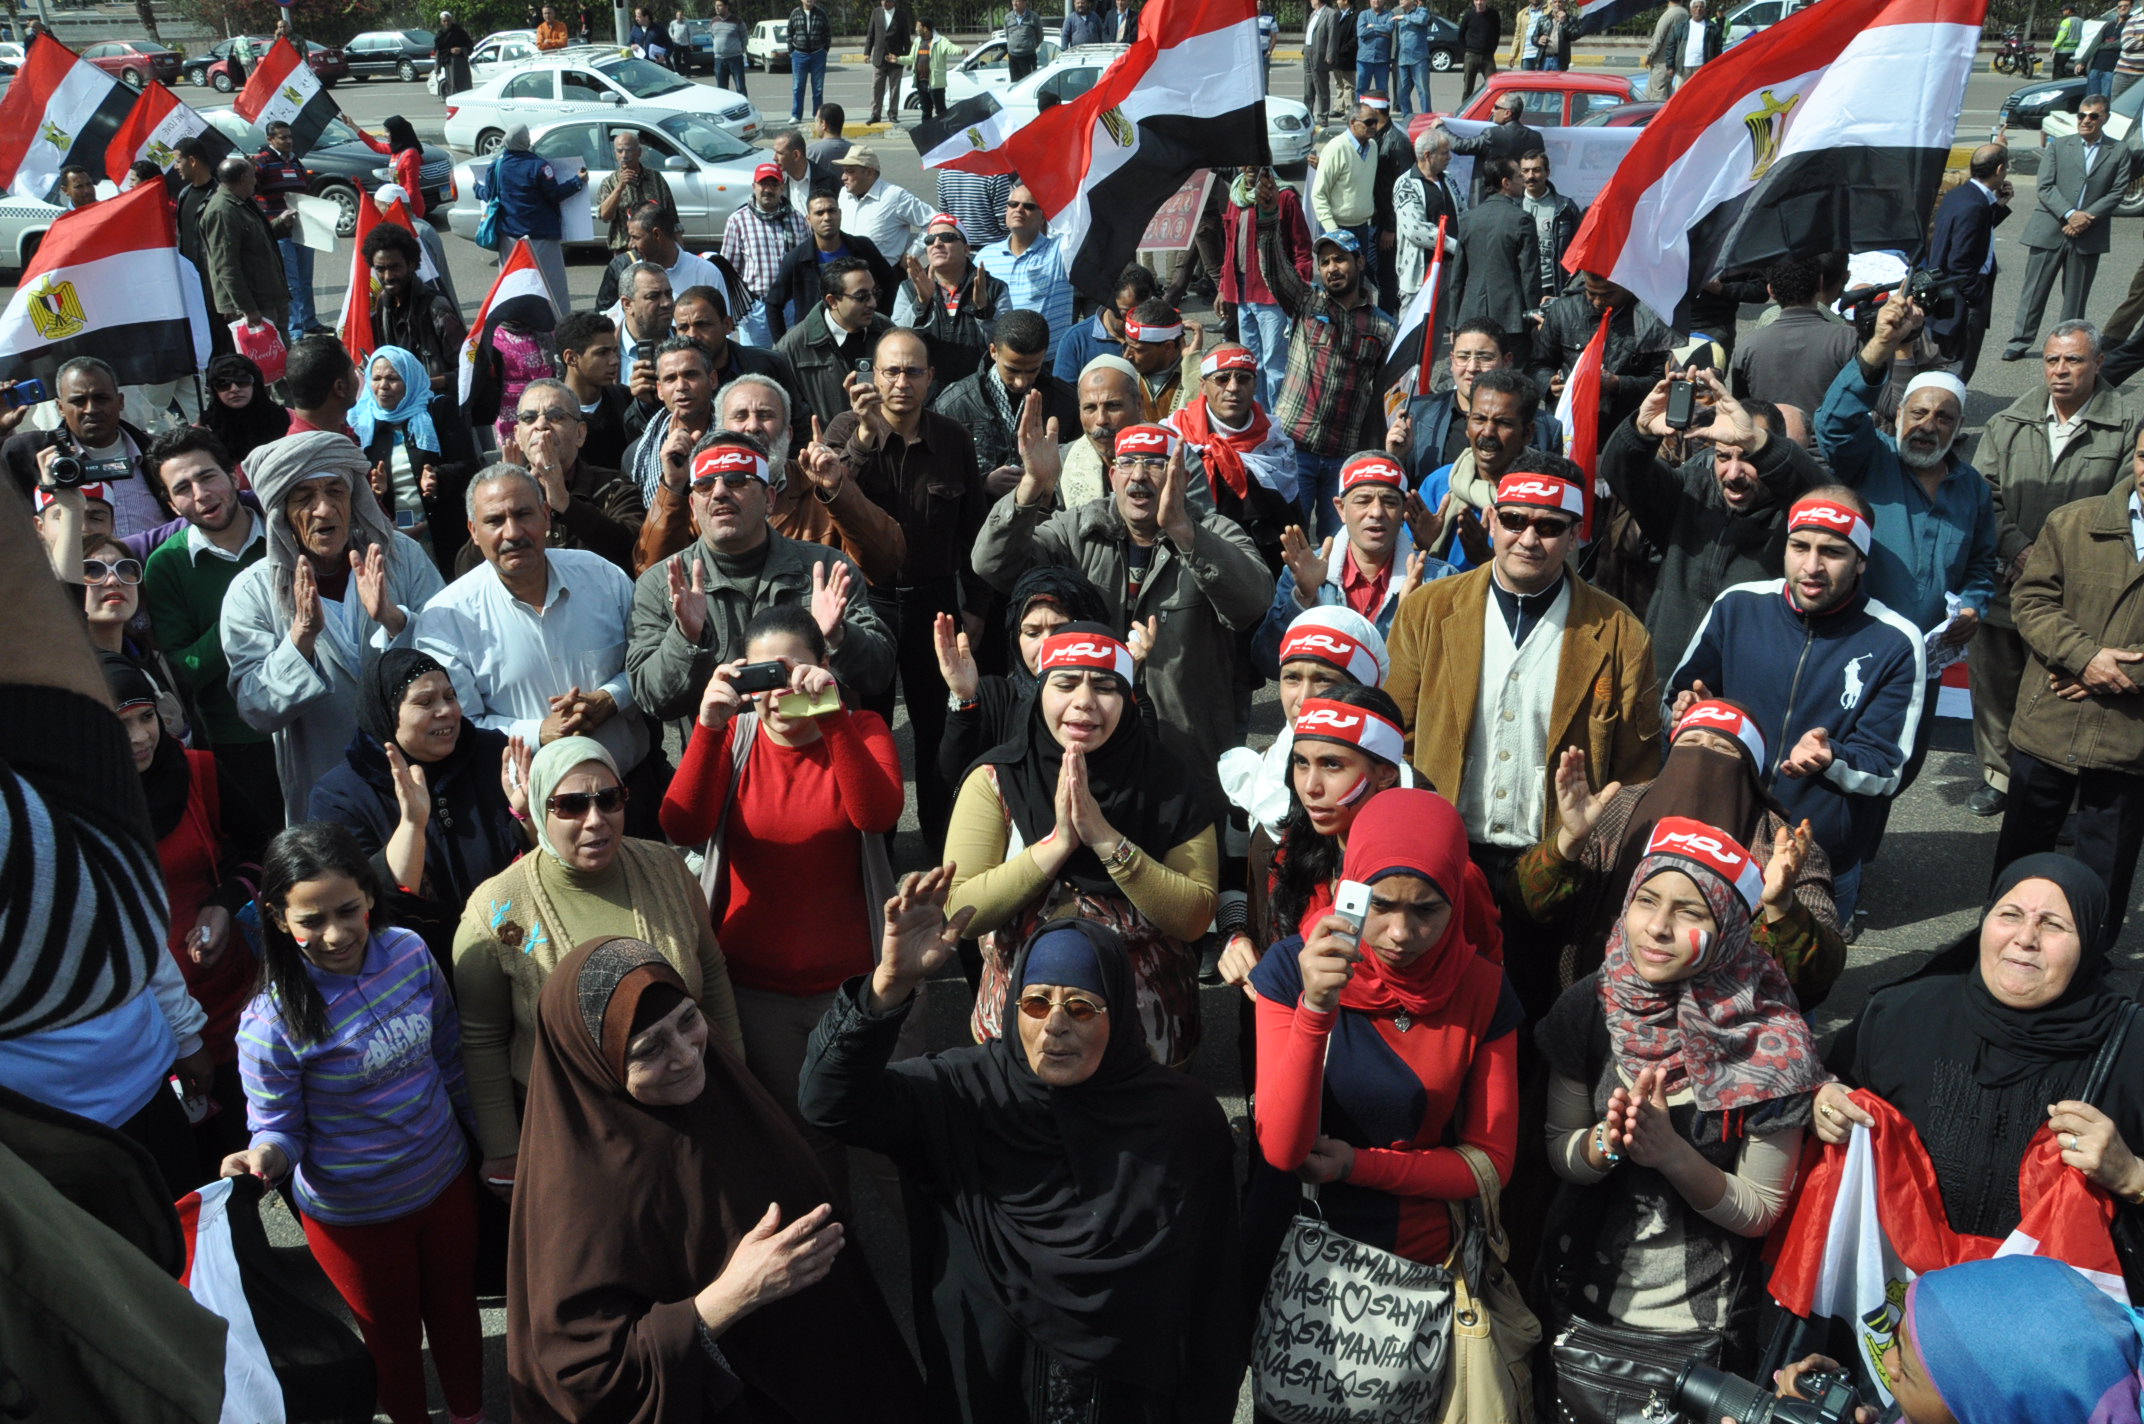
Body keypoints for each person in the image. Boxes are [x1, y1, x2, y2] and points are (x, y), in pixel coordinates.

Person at [797, 870, 1241, 1421]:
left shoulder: (1179, 1120)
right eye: (1035, 1004)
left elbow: (1215, 1297)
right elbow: (828, 1102)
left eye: (1081, 1007)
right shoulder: (963, 1094)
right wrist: (888, 985)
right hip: (986, 1395)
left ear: (1120, 1013)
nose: (1054, 1026)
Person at [507, 934, 923, 1423]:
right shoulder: (576, 1191)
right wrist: (728, 1300)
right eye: (649, 1048)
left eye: (688, 1019)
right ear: (597, 1064)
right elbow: (587, 1374)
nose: (686, 1055)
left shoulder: (723, 1090)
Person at [1535, 818, 1821, 1409]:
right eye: (1646, 901)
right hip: (1574, 1302)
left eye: (1689, 912)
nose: (1658, 927)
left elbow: (1760, 1210)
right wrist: (1607, 1143)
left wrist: (1670, 1153)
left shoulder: (1773, 1041)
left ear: (1730, 928)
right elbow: (1561, 1150)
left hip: (1698, 1335)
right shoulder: (1591, 1004)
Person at [218, 823, 486, 1424]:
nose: (336, 934)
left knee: (456, 1312)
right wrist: (262, 1160)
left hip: (446, 1184)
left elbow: (450, 1056)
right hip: (356, 1220)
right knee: (392, 1342)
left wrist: (496, 1146)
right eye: (311, 920)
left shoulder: (410, 951)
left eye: (347, 910)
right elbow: (279, 1128)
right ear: (278, 918)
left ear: (368, 893)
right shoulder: (269, 1023)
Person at [1384, 465, 1662, 1016]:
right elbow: (1396, 738)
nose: (1528, 538)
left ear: (1577, 534)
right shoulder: (1428, 610)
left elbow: (1636, 775)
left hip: (1555, 864)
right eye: (1514, 520)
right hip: (1448, 857)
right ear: (1491, 520)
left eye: (1549, 526)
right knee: (1437, 1016)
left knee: (1535, 1019)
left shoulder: (1621, 632)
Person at [659, 603, 902, 1194]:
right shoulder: (734, 736)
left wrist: (832, 718)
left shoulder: (862, 726)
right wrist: (708, 727)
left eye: (791, 672)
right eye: (762, 676)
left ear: (824, 667)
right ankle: (836, 1252)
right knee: (804, 1149)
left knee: (888, 1146)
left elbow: (877, 813)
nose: (777, 693)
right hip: (756, 992)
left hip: (855, 989)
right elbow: (681, 825)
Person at [1818, 854, 2144, 1290]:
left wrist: (2132, 1176)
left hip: (2054, 1314)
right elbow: (1833, 1088)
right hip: (1892, 1303)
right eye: (2010, 915)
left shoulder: (2132, 1048)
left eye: (2053, 925)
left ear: (2092, 942)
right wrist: (1823, 1105)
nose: (2025, 938)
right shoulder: (1900, 1014)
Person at [1250, 784, 1521, 1296]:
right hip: (1300, 1253)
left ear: (1457, 899)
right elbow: (1284, 1151)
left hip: (1419, 1264)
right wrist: (1316, 1010)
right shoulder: (1292, 968)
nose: (1400, 933)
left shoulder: (1482, 988)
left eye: (1427, 910)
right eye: (1382, 905)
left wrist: (1358, 1165)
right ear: (1350, 890)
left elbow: (1491, 1161)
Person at [454, 736, 744, 1196]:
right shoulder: (496, 912)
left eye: (609, 799)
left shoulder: (667, 870)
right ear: (540, 811)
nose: (595, 820)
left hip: (689, 1107)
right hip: (575, 1137)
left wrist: (736, 1079)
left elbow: (712, 974)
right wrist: (504, 1148)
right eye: (571, 806)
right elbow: (482, 1039)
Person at [944, 625, 1220, 1066]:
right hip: (1021, 1041)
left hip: (1146, 1043)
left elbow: (1195, 917)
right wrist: (1056, 845)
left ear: (1127, 698)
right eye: (1066, 683)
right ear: (1040, 692)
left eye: (1105, 687)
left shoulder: (1171, 782)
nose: (1085, 701)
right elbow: (960, 912)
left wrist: (1107, 840)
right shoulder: (996, 779)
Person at [1667, 489, 1926, 925]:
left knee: (1798, 969)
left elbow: (1886, 768)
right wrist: (1691, 717)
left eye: (1833, 552)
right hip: (1717, 839)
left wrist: (1832, 757)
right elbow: (1673, 702)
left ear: (1861, 561)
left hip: (1815, 861)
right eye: (1800, 546)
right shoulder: (1738, 605)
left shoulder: (1895, 640)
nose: (1811, 566)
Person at [974, 423, 1275, 765]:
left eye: (1155, 464)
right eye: (1128, 463)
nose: (1139, 476)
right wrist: (1032, 485)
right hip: (1089, 741)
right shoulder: (1076, 530)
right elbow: (992, 565)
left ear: (1182, 478)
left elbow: (1253, 603)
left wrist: (1184, 531)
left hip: (1184, 749)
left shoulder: (1215, 532)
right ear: (1113, 475)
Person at [1516, 698, 1845, 1003]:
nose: (1702, 756)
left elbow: (1820, 971)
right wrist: (1569, 841)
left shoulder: (1784, 846)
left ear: (1749, 770)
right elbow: (1527, 905)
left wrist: (1782, 907)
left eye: (1722, 748)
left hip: (1718, 1020)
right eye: (1690, 743)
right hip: (1592, 1002)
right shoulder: (1617, 808)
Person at [221, 432, 445, 825]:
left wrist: (394, 620)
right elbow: (256, 709)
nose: (324, 509)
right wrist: (301, 638)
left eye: (335, 492)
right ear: (281, 513)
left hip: (427, 779)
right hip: (329, 797)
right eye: (304, 497)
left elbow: (454, 655)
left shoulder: (400, 558)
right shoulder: (251, 592)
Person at [820, 328, 988, 844]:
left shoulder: (952, 438)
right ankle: (876, 847)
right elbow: (832, 494)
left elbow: (973, 532)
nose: (901, 382)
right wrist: (865, 436)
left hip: (934, 603)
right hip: (864, 605)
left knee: (937, 727)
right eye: (890, 371)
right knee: (867, 728)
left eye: (913, 371)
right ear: (872, 376)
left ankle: (941, 841)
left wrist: (976, 609)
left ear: (931, 377)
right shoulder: (845, 428)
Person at [1968, 321, 2137, 820]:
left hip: (2079, 590)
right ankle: (2000, 777)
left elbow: (2122, 505)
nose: (2060, 371)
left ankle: (2065, 793)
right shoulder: (2008, 422)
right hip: (2008, 579)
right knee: (1996, 684)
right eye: (2052, 360)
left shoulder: (2129, 426)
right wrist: (2020, 550)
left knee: (2061, 686)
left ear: (2099, 364)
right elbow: (1982, 494)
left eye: (2074, 360)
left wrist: (2049, 560)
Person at [418, 461, 653, 812]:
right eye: (495, 521)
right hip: (530, 809)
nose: (513, 533)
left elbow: (648, 661)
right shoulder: (446, 619)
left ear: (546, 516)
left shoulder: (602, 577)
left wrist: (611, 698)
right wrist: (538, 733)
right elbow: (458, 725)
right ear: (473, 531)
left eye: (523, 514)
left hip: (631, 791)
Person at [105, 650, 265, 1168]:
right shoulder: (85, 806)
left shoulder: (199, 772)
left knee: (261, 1141)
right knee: (193, 1168)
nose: (140, 738)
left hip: (231, 996)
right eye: (121, 724)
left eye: (146, 717)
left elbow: (263, 850)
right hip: (148, 1021)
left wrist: (225, 902)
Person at [627, 431, 894, 729]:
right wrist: (686, 639)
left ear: (769, 499)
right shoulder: (661, 585)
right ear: (692, 505)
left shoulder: (826, 570)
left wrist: (838, 637)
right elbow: (653, 700)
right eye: (704, 485)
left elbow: (878, 674)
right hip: (722, 753)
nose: (719, 492)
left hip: (818, 749)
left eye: (736, 480)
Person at [1993, 442, 2144, 949]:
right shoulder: (2073, 522)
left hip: (2128, 741)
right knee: (2021, 859)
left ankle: (2088, 967)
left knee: (2104, 872)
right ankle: (1995, 956)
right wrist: (2084, 657)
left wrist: (2114, 672)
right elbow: (2031, 600)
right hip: (2050, 725)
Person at [308, 649, 528, 960]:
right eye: (425, 702)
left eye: (450, 696)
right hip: (415, 963)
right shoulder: (339, 796)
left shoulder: (493, 754)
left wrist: (528, 816)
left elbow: (541, 859)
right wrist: (412, 826)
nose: (446, 710)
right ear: (387, 712)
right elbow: (366, 905)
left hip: (518, 942)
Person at [1603, 371, 1823, 679]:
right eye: (1723, 456)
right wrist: (1640, 431)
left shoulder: (1794, 516)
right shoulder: (1689, 492)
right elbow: (1621, 472)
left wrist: (1759, 443)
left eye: (1748, 456)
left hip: (1739, 693)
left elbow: (1825, 500)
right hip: (1660, 682)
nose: (1733, 473)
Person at [1816, 293, 1999, 641]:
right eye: (1918, 413)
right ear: (1899, 414)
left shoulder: (1973, 489)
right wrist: (1881, 344)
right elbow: (1834, 424)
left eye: (1943, 418)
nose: (1927, 426)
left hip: (1928, 653)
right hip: (1853, 640)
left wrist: (1972, 605)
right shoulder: (1870, 457)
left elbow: (1980, 565)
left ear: (1958, 427)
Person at [141, 427, 280, 819]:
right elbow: (182, 672)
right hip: (238, 744)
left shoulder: (286, 532)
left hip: (320, 719)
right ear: (171, 504)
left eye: (207, 476)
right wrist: (240, 620)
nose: (201, 494)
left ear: (234, 476)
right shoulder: (167, 565)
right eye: (182, 488)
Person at [1258, 176, 1397, 539]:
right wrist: (1268, 217)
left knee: (1340, 547)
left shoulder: (1384, 328)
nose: (1332, 268)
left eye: (1340, 259)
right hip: (1296, 449)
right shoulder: (1307, 303)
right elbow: (1274, 268)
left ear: (1360, 262)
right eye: (1325, 262)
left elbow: (1385, 396)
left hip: (1343, 457)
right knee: (1293, 541)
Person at [933, 564, 1114, 789]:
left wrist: (1120, 685)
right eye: (1032, 632)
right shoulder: (996, 697)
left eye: (1059, 629)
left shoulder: (1111, 697)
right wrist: (963, 699)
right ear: (1016, 638)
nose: (1046, 644)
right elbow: (951, 779)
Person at [1253, 450, 1442, 664]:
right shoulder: (1303, 572)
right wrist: (1302, 598)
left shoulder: (1436, 579)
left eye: (1389, 502)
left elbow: (1446, 670)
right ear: (1341, 509)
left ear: (1403, 510)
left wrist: (1414, 619)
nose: (1376, 512)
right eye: (1363, 501)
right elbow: (1268, 661)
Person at [2003, 95, 2134, 362]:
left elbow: (2117, 191)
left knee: (2075, 298)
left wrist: (2086, 218)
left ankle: (2066, 345)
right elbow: (2045, 187)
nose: (2086, 120)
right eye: (2082, 115)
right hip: (2050, 228)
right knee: (2034, 291)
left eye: (2093, 116)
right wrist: (2070, 214)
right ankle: (2020, 341)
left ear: (2105, 118)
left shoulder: (2118, 151)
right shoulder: (2059, 146)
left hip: (2089, 232)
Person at [486, 376, 646, 574]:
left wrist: (564, 502)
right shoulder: (491, 491)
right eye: (529, 418)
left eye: (555, 417)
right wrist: (506, 498)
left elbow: (635, 550)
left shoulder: (615, 486)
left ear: (580, 434)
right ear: (518, 435)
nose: (541, 425)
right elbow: (466, 569)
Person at [1166, 342, 1304, 561]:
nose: (1233, 387)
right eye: (1222, 379)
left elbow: (1290, 516)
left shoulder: (1275, 439)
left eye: (1243, 378)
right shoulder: (1173, 434)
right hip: (1186, 554)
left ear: (1255, 384)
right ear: (1203, 385)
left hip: (1260, 557)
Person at [4, 358, 169, 540]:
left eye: (101, 398)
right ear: (60, 407)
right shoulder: (29, 454)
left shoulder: (163, 453)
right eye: (79, 401)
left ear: (120, 401)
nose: (91, 409)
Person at [355, 345, 478, 572]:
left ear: (410, 379)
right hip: (396, 534)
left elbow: (470, 467)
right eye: (376, 378)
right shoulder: (363, 423)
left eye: (393, 378)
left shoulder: (438, 410)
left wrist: (439, 478)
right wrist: (376, 492)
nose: (383, 386)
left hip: (444, 530)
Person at [931, 308, 1077, 485]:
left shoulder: (1067, 402)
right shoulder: (954, 405)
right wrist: (982, 484)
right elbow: (938, 476)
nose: (1021, 382)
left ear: (1044, 355)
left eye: (1032, 370)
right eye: (1012, 370)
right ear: (993, 351)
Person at [1218, 166, 1311, 413]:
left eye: (1255, 161)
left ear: (1265, 162)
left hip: (1273, 295)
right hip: (1242, 294)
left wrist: (1299, 293)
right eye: (1244, 162)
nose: (1249, 166)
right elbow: (1229, 246)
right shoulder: (1236, 195)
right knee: (1251, 365)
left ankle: (1279, 420)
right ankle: (1259, 418)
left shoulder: (1284, 196)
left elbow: (1302, 249)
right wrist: (1222, 287)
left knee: (1275, 366)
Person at [1728, 255, 1864, 414]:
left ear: (1770, 290)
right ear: (1819, 283)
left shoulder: (1747, 348)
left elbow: (1741, 408)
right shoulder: (1850, 340)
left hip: (1769, 429)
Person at [892, 212, 1008, 395]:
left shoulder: (993, 288)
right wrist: (921, 303)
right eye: (930, 240)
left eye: (947, 237)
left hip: (979, 397)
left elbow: (1005, 346)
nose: (937, 244)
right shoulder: (908, 289)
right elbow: (896, 341)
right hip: (925, 397)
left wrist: (984, 310)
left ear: (966, 249)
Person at [769, 185, 901, 341]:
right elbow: (773, 304)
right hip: (816, 342)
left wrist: (879, 319)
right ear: (808, 219)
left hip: (863, 336)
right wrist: (783, 345)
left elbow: (889, 282)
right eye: (819, 213)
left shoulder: (863, 248)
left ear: (840, 213)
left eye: (831, 211)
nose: (827, 217)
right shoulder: (796, 259)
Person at [778, 259, 893, 433]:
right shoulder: (792, 348)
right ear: (832, 301)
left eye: (874, 293)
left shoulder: (887, 332)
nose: (872, 303)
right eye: (861, 297)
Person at [490, 125, 586, 318]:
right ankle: (559, 323)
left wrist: (476, 188)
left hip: (509, 237)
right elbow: (554, 194)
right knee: (551, 285)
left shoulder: (497, 166)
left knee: (512, 283)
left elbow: (489, 194)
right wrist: (577, 181)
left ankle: (514, 322)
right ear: (525, 141)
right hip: (541, 236)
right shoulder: (539, 166)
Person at [979, 183, 1077, 366]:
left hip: (1048, 363)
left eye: (1029, 206)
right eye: (1013, 204)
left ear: (1043, 217)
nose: (1019, 209)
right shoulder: (985, 257)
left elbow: (1080, 222)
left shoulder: (1060, 251)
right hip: (1001, 363)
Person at [201, 156, 293, 343]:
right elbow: (226, 266)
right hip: (255, 303)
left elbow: (258, 238)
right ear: (243, 179)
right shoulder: (222, 212)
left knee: (281, 350)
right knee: (265, 354)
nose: (256, 181)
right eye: (253, 176)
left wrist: (281, 223)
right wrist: (248, 308)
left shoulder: (242, 201)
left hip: (269, 295)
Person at [1456, 158, 1543, 353]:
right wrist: (1534, 315)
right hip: (1511, 319)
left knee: (1477, 367)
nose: (1524, 180)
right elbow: (1529, 274)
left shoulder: (1468, 218)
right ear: (1506, 183)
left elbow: (1458, 276)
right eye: (1519, 176)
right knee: (1513, 368)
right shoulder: (1522, 219)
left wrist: (1455, 321)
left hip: (1471, 315)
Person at [724, 162, 811, 350]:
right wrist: (736, 309)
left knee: (794, 356)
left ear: (782, 187)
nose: (768, 190)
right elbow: (728, 272)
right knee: (756, 360)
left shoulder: (798, 220)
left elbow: (807, 264)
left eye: (774, 184)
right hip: (757, 309)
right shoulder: (738, 221)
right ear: (754, 186)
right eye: (763, 184)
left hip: (792, 306)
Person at [255, 121, 322, 338]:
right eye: (283, 137)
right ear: (270, 139)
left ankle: (310, 321)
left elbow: (306, 190)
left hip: (303, 229)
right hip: (280, 232)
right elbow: (251, 190)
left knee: (305, 280)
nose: (288, 141)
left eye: (290, 137)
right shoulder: (262, 162)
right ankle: (295, 330)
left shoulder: (295, 162)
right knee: (291, 283)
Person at [1055, 264, 1157, 386]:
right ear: (1107, 300)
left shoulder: (1159, 337)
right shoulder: (1076, 340)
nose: (1133, 322)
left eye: (1142, 313)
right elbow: (1062, 392)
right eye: (1125, 314)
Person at [834, 147, 934, 266]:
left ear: (869, 173)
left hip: (884, 274)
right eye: (844, 171)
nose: (843, 177)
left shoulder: (894, 196)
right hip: (846, 272)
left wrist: (914, 252)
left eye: (850, 171)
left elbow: (934, 221)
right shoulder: (844, 194)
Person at [199, 351, 291, 464]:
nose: (234, 389)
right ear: (214, 390)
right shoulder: (206, 428)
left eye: (242, 380)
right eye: (223, 384)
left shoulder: (283, 418)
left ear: (255, 383)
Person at [1311, 104, 1379, 257]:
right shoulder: (1336, 148)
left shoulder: (1373, 147)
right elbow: (1318, 194)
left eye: (1375, 121)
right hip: (1338, 228)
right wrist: (1333, 230)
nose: (1374, 126)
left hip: (1363, 227)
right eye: (1368, 122)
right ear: (1353, 122)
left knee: (1359, 271)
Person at [595, 129, 676, 255]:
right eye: (620, 151)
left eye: (629, 150)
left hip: (656, 249)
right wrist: (620, 187)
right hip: (625, 250)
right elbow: (605, 216)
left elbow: (672, 218)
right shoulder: (609, 182)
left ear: (639, 152)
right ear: (615, 154)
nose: (624, 155)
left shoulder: (656, 178)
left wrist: (679, 250)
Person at [1518, 150, 1582, 307]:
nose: (1530, 176)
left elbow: (1579, 250)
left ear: (1547, 172)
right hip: (1520, 287)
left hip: (1553, 287)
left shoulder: (1565, 207)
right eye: (1525, 171)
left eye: (1536, 170)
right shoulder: (1512, 206)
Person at [866, 0, 914, 124]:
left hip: (896, 58)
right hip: (879, 58)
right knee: (876, 88)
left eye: (887, 1)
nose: (884, 3)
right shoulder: (876, 12)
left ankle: (893, 114)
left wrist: (909, 59)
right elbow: (871, 34)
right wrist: (867, 52)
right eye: (883, 1)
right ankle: (875, 114)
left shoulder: (901, 15)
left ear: (893, 2)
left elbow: (906, 38)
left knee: (894, 89)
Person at [788, 0, 833, 122]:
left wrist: (825, 50)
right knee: (798, 87)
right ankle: (796, 115)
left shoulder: (821, 14)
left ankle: (817, 115)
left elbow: (827, 32)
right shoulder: (795, 13)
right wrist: (791, 51)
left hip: (818, 54)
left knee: (818, 88)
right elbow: (789, 32)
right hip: (799, 55)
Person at [908, 17, 959, 121]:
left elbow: (950, 48)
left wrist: (961, 51)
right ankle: (926, 131)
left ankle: (944, 130)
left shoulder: (940, 41)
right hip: (921, 82)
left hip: (935, 83)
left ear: (925, 28)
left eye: (918, 27)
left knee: (941, 111)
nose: (916, 29)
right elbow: (911, 58)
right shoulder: (918, 41)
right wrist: (897, 59)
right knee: (926, 111)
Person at [1644, 0, 1690, 100]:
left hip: (1662, 60)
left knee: (1659, 91)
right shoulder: (1685, 14)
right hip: (1676, 59)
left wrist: (1649, 54)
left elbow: (1658, 37)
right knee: (1667, 90)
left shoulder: (1669, 15)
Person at [1393, 0, 1434, 114]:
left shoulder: (1421, 11)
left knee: (1423, 91)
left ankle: (1426, 116)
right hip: (1403, 59)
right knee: (1401, 92)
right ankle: (1407, 118)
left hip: (1418, 59)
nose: (1401, 1)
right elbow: (1387, 26)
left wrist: (1404, 17)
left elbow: (1422, 20)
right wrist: (1374, 27)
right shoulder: (1398, 13)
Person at [1460, 0, 1501, 99]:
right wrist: (1468, 49)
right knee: (1467, 88)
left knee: (1493, 85)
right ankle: (1466, 107)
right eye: (1476, 0)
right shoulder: (1468, 15)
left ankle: (1493, 107)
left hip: (1487, 57)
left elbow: (1497, 34)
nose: (1479, 3)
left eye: (1481, 0)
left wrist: (1491, 49)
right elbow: (1461, 35)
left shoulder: (1494, 15)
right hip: (1471, 55)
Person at [1354, 0, 1394, 101]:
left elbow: (1389, 29)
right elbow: (1361, 32)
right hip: (1364, 59)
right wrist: (1381, 33)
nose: (1376, 1)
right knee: (1361, 88)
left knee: (1382, 90)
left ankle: (1382, 110)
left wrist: (1373, 26)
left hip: (1382, 60)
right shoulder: (1363, 15)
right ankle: (1361, 109)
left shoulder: (1389, 15)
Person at [434, 11, 474, 95]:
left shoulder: (459, 32)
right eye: (444, 21)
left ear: (451, 20)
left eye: (448, 20)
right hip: (449, 65)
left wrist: (461, 49)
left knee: (465, 87)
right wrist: (437, 69)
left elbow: (470, 47)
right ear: (441, 22)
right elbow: (438, 52)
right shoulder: (440, 35)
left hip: (462, 64)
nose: (446, 23)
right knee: (453, 87)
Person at [1004, 0, 1043, 80]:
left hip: (1028, 57)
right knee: (1015, 84)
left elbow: (1040, 36)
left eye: (1017, 1)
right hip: (1013, 58)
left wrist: (1029, 46)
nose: (1014, 3)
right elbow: (1007, 36)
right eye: (1013, 0)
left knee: (1029, 83)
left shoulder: (1034, 17)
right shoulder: (1008, 18)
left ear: (1024, 2)